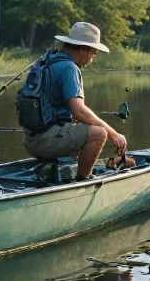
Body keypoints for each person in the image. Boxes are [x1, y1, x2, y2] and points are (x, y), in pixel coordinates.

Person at [21, 21, 128, 181]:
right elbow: (79, 110)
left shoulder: (48, 62)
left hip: (30, 140)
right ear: (83, 49)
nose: (93, 58)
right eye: (94, 53)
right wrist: (113, 134)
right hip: (45, 142)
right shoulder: (70, 68)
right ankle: (84, 180)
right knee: (99, 134)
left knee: (82, 127)